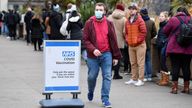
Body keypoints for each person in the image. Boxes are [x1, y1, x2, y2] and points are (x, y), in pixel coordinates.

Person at [83, 2, 121, 107]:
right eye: (97, 9)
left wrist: (116, 56)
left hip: (106, 54)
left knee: (107, 76)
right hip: (93, 56)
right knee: (92, 77)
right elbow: (85, 40)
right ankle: (91, 91)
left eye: (100, 10)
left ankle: (105, 99)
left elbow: (113, 40)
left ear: (104, 11)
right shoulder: (89, 23)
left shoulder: (109, 23)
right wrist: (93, 49)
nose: (98, 11)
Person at [163, 7, 192, 94]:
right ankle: (186, 88)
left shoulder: (174, 19)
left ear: (178, 12)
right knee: (186, 68)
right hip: (188, 48)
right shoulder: (191, 20)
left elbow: (165, 30)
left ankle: (174, 88)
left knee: (175, 67)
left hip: (175, 48)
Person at [124, 3, 147, 86]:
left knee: (140, 63)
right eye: (130, 9)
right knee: (133, 63)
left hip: (140, 45)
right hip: (131, 45)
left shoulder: (140, 20)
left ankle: (141, 80)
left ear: (136, 10)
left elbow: (144, 32)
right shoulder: (128, 20)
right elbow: (126, 33)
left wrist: (137, 40)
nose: (131, 10)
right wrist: (128, 40)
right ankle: (134, 78)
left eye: (133, 9)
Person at [108, 3, 126, 79]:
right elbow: (124, 32)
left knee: (110, 57)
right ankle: (116, 74)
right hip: (119, 41)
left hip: (110, 41)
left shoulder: (109, 17)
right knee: (118, 57)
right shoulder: (124, 19)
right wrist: (124, 39)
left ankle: (108, 73)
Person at [140, 8, 157, 82]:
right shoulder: (151, 22)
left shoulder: (139, 22)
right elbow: (155, 33)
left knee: (141, 61)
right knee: (148, 60)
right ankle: (149, 76)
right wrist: (150, 38)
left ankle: (142, 75)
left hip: (140, 44)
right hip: (148, 44)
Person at [156, 11, 170, 86]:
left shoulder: (167, 25)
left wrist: (164, 41)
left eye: (162, 16)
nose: (160, 17)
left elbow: (170, 36)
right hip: (159, 45)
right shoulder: (161, 25)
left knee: (163, 61)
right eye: (160, 16)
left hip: (164, 45)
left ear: (166, 17)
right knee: (161, 62)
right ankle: (163, 79)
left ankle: (165, 80)